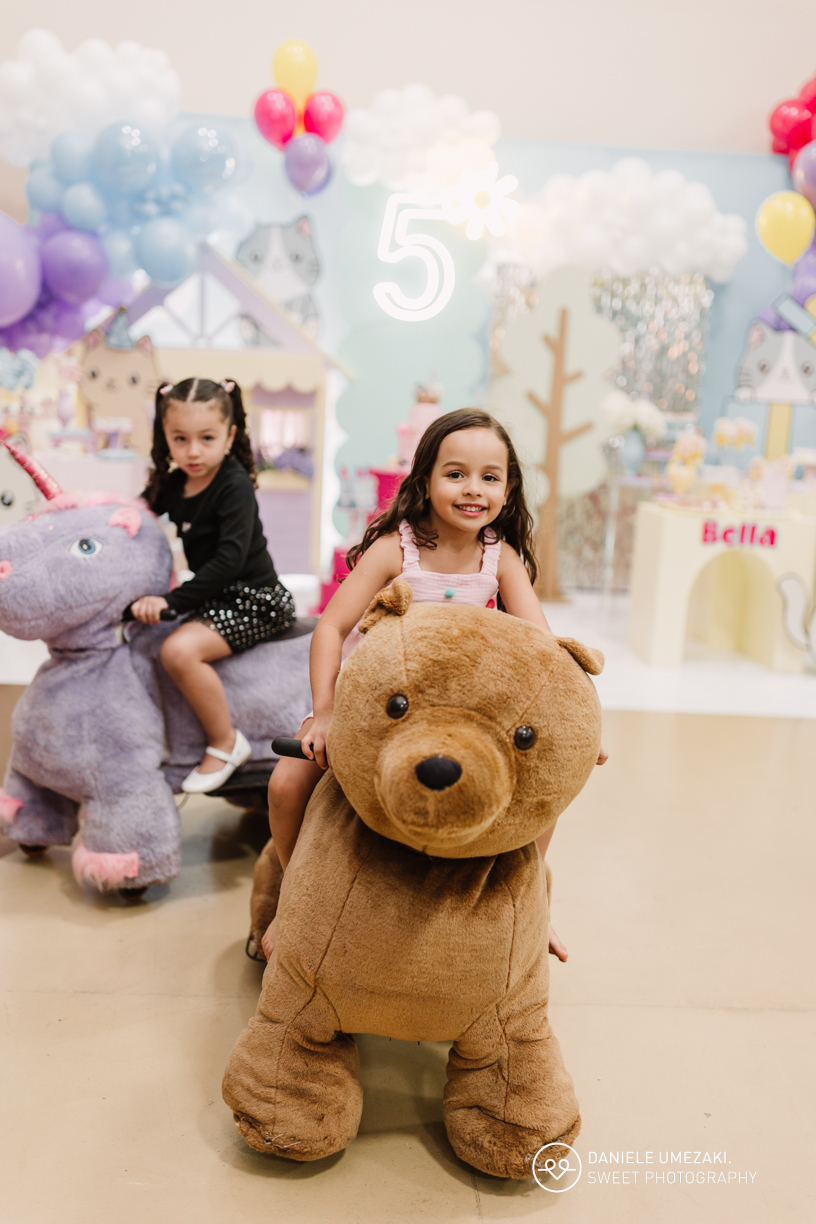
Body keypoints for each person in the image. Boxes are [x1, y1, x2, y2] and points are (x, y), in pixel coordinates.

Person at [265, 407, 607, 961]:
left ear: (508, 487)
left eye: (489, 477)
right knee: (285, 787)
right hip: (381, 709)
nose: (473, 490)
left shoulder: (501, 559)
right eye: (455, 474)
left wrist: (575, 728)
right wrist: (324, 711)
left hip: (461, 715)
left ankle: (533, 904)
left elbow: (545, 650)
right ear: (425, 480)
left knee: (549, 795)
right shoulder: (395, 550)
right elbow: (330, 626)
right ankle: (289, 900)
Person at [131, 377, 295, 794]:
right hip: (215, 595)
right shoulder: (174, 482)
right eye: (179, 438)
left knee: (178, 650)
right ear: (164, 436)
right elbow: (136, 513)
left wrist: (171, 602)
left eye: (206, 438)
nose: (192, 451)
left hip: (255, 599)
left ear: (230, 435)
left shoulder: (233, 483)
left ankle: (226, 740)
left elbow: (229, 560)